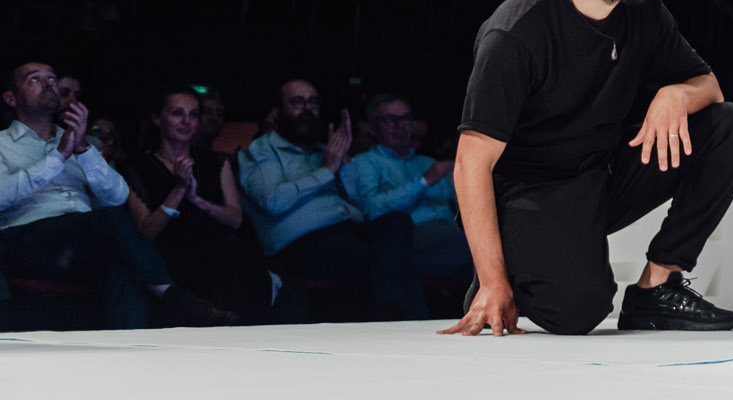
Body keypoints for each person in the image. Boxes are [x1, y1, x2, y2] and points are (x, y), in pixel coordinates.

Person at [446, 0, 733, 336]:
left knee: (731, 126)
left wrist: (674, 95)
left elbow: (709, 87)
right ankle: (507, 270)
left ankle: (657, 286)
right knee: (579, 312)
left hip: (601, 175)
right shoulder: (516, 33)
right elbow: (470, 164)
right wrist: (493, 282)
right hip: (529, 191)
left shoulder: (644, 11)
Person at [1, 61, 228, 328]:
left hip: (80, 243)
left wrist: (83, 150)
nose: (48, 84)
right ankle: (174, 296)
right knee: (108, 219)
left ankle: (133, 346)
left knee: (124, 267)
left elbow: (117, 195)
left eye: (52, 78)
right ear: (11, 98)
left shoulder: (78, 140)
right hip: (26, 241)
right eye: (34, 79)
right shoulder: (3, 143)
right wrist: (59, 156)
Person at [239, 79, 428, 320]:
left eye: (313, 102)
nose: (307, 109)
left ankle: (392, 315)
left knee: (397, 222)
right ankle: (397, 320)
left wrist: (344, 163)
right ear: (277, 112)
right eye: (297, 102)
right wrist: (327, 171)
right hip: (300, 243)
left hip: (347, 229)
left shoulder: (326, 150)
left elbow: (362, 205)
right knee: (391, 261)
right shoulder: (262, 151)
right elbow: (272, 201)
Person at [122, 87, 274, 323]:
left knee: (233, 253)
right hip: (170, 256)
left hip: (218, 252)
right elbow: (146, 233)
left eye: (193, 115)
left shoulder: (216, 161)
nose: (187, 121)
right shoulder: (136, 167)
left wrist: (197, 200)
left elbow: (235, 219)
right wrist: (179, 189)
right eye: (177, 113)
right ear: (157, 118)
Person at [339, 94, 472, 281]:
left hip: (448, 236)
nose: (400, 125)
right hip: (407, 239)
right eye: (390, 120)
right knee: (479, 244)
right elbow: (372, 210)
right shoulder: (365, 162)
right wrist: (424, 181)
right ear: (373, 128)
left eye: (405, 118)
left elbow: (462, 208)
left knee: (492, 239)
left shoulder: (428, 162)